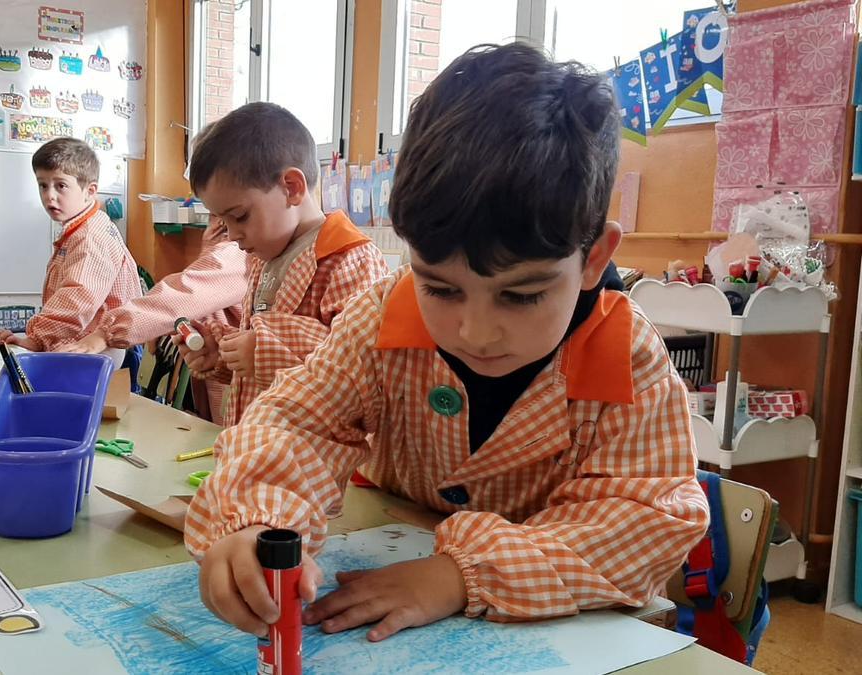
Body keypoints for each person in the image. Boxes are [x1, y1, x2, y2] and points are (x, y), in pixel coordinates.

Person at [185, 44, 710, 642]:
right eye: (439, 286)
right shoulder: (385, 312)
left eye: (521, 295)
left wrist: (460, 574)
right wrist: (255, 521)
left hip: (570, 632)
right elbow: (296, 422)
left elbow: (644, 520)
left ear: (593, 258)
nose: (475, 332)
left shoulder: (629, 359)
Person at [176, 102, 388, 426]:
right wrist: (223, 354)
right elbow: (262, 362)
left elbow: (364, 366)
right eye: (222, 221)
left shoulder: (350, 258)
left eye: (240, 216)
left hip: (313, 460)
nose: (231, 235)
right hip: (259, 441)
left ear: (291, 188)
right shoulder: (266, 257)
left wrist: (261, 351)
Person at [60, 219, 248, 423]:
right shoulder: (230, 251)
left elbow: (186, 293)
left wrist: (108, 332)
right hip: (219, 396)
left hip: (237, 407)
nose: (51, 198)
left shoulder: (239, 255)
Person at [0, 138, 141, 367]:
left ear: (89, 191)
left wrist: (37, 337)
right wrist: (37, 341)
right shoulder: (79, 229)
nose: (49, 195)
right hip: (86, 343)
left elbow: (78, 297)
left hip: (104, 350)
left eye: (60, 185)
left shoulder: (90, 237)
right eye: (43, 185)